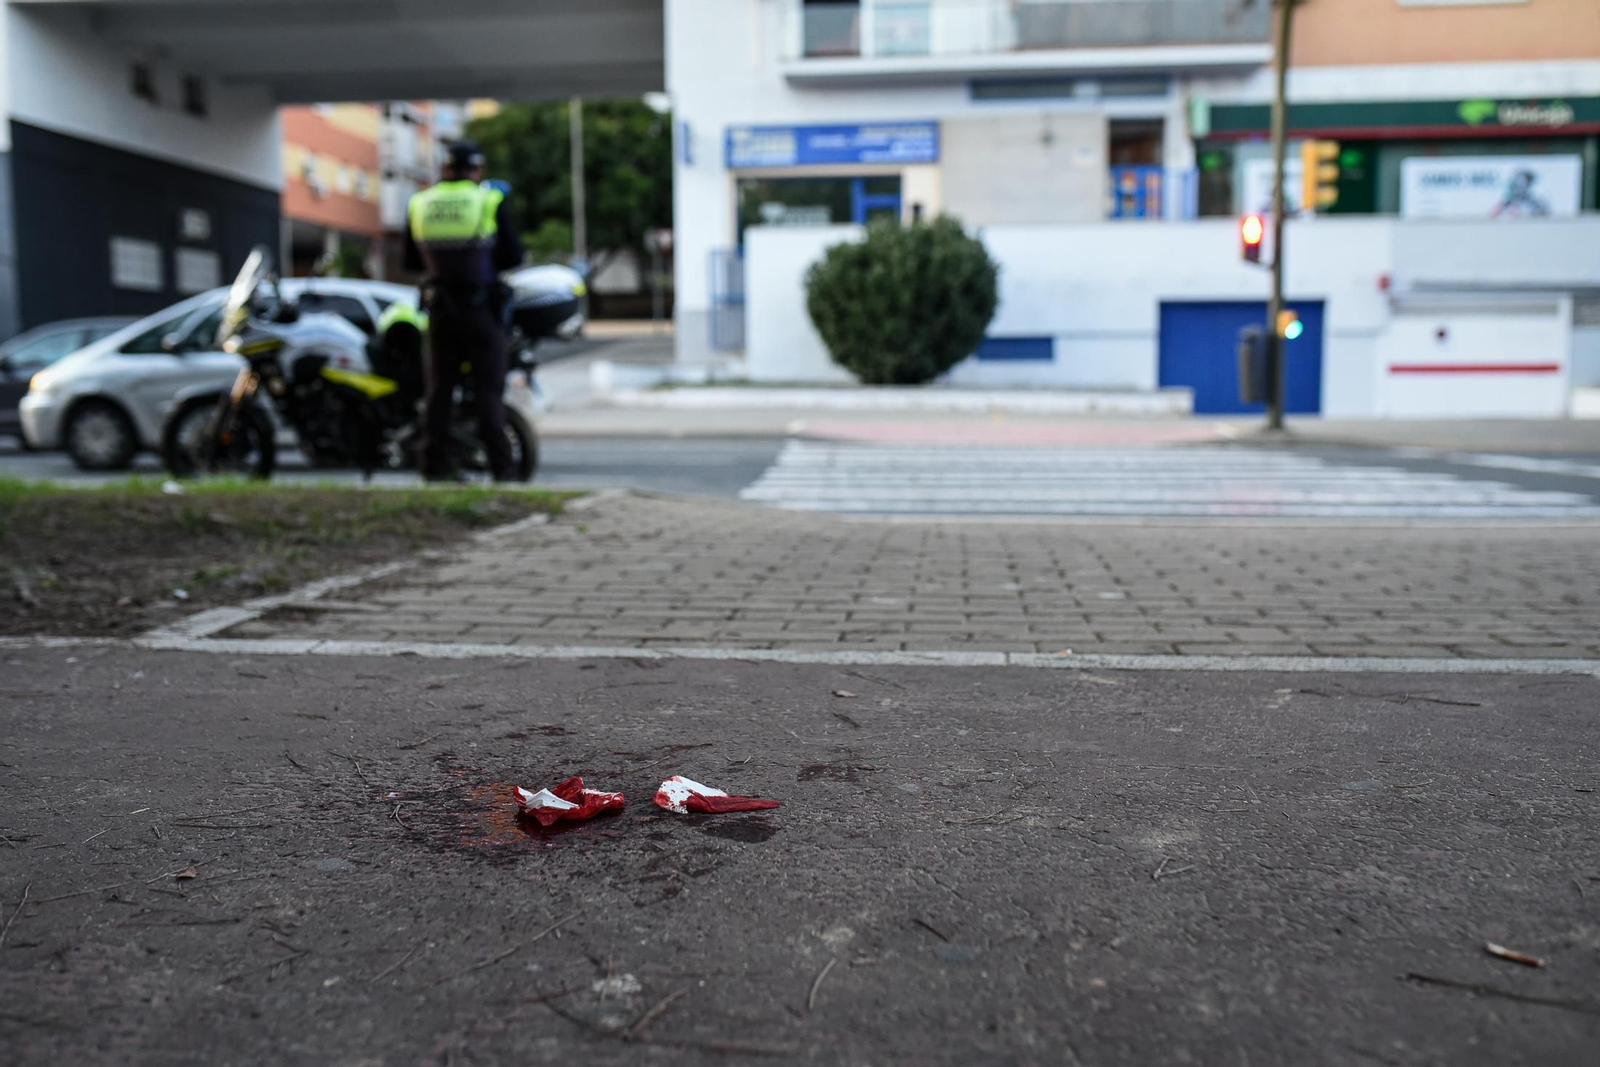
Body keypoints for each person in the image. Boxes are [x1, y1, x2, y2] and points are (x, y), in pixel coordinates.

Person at [404, 141, 521, 481]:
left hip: (441, 311)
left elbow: (411, 261)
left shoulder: (420, 202)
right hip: (481, 310)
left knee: (439, 391)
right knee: (489, 391)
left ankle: (433, 468)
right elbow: (513, 255)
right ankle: (503, 470)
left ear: (445, 169)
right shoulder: (488, 199)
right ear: (477, 169)